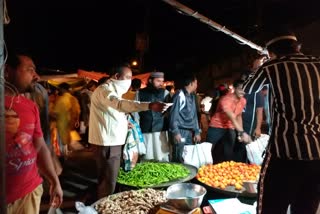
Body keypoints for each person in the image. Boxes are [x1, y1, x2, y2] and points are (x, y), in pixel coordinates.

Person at [243, 31, 320, 214]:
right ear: (297, 47)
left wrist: (256, 67)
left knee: (271, 207)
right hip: (316, 154)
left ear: (271, 52)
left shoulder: (273, 65)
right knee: (305, 208)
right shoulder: (318, 63)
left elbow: (249, 88)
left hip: (282, 154)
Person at [88, 63, 168, 198]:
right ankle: (103, 206)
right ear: (116, 76)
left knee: (111, 178)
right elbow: (119, 105)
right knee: (108, 181)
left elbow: (113, 113)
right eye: (128, 77)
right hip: (107, 142)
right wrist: (149, 105)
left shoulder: (114, 91)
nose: (130, 81)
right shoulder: (105, 91)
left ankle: (106, 202)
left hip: (113, 141)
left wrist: (125, 123)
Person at [4, 53, 63, 213]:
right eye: (30, 70)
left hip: (28, 192)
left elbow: (40, 145)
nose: (36, 76)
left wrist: (54, 181)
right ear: (7, 71)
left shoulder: (30, 106)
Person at [206, 80, 251, 163]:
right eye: (240, 89)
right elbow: (232, 117)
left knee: (229, 152)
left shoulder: (243, 101)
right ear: (234, 88)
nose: (243, 92)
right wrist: (242, 132)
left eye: (244, 89)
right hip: (216, 126)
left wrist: (240, 132)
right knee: (207, 150)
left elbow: (238, 116)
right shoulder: (226, 99)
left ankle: (227, 170)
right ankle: (204, 169)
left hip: (230, 127)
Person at [135, 71, 171, 161]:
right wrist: (136, 128)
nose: (161, 84)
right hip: (145, 129)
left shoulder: (165, 93)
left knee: (161, 155)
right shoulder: (139, 93)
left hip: (161, 130)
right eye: (158, 81)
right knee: (147, 155)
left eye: (162, 81)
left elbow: (169, 111)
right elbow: (135, 111)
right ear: (150, 81)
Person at [169, 73, 202, 163]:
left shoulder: (192, 96)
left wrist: (196, 131)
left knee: (187, 156)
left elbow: (194, 116)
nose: (196, 85)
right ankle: (177, 176)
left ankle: (187, 175)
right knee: (178, 156)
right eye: (196, 83)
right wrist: (176, 132)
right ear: (191, 83)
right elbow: (173, 115)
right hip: (180, 131)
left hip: (189, 132)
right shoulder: (179, 95)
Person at [53, 82, 81, 154]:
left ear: (63, 89)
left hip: (62, 125)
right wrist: (76, 121)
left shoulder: (61, 100)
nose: (58, 91)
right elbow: (77, 111)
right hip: (70, 124)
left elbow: (55, 114)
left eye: (59, 89)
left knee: (62, 145)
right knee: (67, 142)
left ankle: (64, 159)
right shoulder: (73, 98)